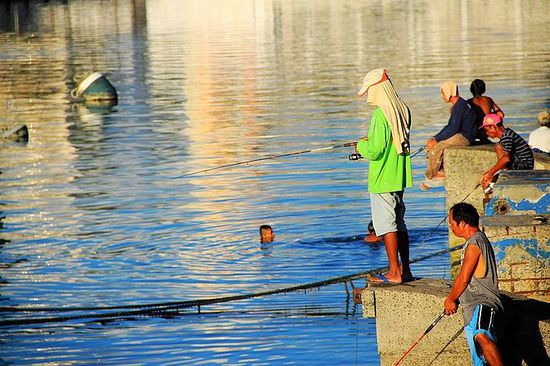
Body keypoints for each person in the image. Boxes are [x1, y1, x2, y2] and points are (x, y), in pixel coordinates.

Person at [355, 68, 413, 284]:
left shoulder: (380, 114)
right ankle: (405, 269)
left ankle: (394, 272)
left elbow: (376, 150)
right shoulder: (403, 108)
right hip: (399, 175)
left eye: (370, 90)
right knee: (400, 223)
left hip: (383, 177)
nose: (369, 95)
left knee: (387, 225)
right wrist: (369, 140)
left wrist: (361, 145)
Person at [444, 203, 504, 366]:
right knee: (479, 360)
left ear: (462, 223)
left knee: (482, 335)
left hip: (483, 303)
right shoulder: (476, 241)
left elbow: (463, 277)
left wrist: (450, 299)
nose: (451, 227)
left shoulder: (474, 244)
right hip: (471, 309)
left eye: (451, 223)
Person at [422, 81, 477, 189]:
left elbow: (453, 128)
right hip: (462, 134)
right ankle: (440, 171)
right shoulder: (459, 105)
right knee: (433, 145)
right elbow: (449, 126)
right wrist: (434, 138)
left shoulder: (460, 106)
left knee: (437, 148)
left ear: (448, 92)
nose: (442, 96)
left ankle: (430, 177)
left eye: (442, 93)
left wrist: (436, 140)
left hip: (465, 136)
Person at [480, 114, 534, 190]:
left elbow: (506, 159)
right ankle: (502, 175)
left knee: (489, 184)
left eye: (487, 130)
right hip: (517, 164)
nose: (487, 133)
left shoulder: (506, 137)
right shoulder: (506, 134)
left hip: (523, 167)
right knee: (498, 146)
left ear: (493, 127)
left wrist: (490, 173)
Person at [467, 79, 505, 145]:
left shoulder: (469, 102)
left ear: (471, 90)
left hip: (475, 131)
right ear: (483, 90)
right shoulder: (488, 99)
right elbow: (501, 114)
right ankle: (503, 137)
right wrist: (492, 116)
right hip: (487, 130)